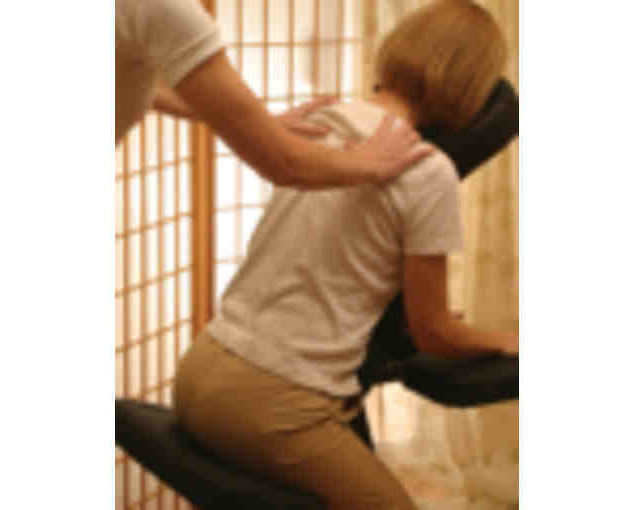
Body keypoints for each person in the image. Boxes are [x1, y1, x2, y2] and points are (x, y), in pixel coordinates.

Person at [173, 1, 517, 509]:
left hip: (199, 369)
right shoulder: (427, 170)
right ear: (470, 89)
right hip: (271, 402)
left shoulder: (320, 120)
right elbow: (435, 334)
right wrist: (508, 340)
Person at [116, 0, 433, 189]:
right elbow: (285, 162)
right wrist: (365, 162)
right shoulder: (163, 9)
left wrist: (249, 121)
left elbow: (134, 80)